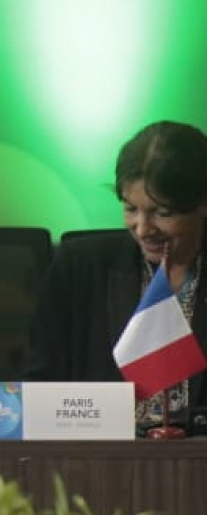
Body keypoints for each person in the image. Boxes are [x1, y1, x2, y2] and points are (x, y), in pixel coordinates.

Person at [30, 121, 207, 422]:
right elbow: (37, 388)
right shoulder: (79, 267)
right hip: (98, 462)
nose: (142, 229)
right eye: (130, 209)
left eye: (162, 213)